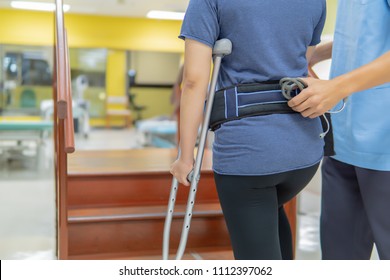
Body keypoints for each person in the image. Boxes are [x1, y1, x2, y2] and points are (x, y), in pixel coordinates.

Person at [170, 0, 326, 260]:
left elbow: (194, 80)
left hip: (248, 155)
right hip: (304, 152)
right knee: (269, 211)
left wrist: (185, 157)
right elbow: (300, 63)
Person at [287, 1, 390, 260]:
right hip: (342, 139)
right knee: (339, 260)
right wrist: (315, 54)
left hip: (384, 144)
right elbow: (367, 36)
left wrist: (336, 88)